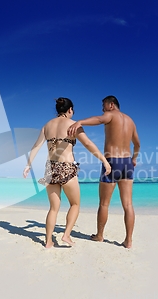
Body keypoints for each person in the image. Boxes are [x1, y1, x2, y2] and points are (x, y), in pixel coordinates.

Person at [23, 97, 111, 249]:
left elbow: (36, 146)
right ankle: (66, 235)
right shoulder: (73, 125)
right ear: (70, 110)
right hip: (67, 168)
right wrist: (104, 160)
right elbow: (88, 144)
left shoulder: (47, 125)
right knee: (75, 204)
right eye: (73, 111)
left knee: (53, 208)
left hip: (50, 169)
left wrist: (28, 165)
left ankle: (48, 241)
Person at [67, 95, 140, 248]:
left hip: (112, 162)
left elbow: (99, 120)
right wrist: (134, 158)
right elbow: (137, 143)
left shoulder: (111, 115)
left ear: (111, 105)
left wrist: (80, 122)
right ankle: (129, 241)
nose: (102, 109)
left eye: (104, 105)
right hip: (127, 162)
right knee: (128, 204)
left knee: (104, 204)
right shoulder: (131, 121)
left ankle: (99, 235)